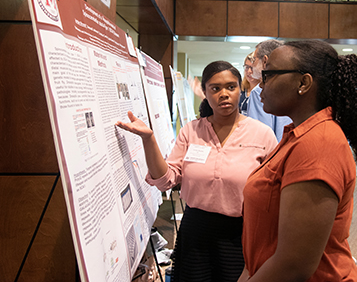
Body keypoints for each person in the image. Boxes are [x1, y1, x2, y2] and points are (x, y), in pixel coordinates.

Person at [116, 61, 278, 282]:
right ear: (205, 92)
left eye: (231, 87)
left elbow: (273, 191)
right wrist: (148, 139)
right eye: (215, 88)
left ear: (241, 89)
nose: (224, 94)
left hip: (242, 233)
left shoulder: (262, 134)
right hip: (196, 231)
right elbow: (166, 180)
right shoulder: (191, 131)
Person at [238, 40, 357, 282]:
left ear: (304, 83)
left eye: (270, 74)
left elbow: (293, 265)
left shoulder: (319, 144)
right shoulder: (299, 134)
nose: (261, 83)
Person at [247, 39, 292, 141]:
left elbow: (259, 138)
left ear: (265, 61)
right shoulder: (292, 86)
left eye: (254, 60)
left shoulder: (259, 91)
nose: (252, 66)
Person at [239, 52, 260, 116]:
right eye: (247, 67)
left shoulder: (263, 92)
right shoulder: (240, 89)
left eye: (253, 68)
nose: (249, 71)